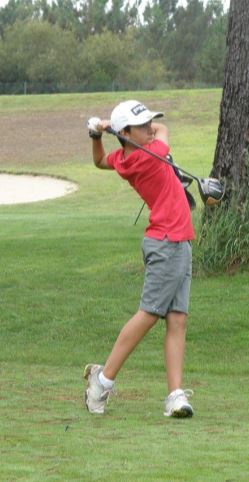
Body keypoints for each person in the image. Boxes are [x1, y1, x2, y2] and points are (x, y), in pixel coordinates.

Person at [84, 100, 195, 418]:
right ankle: (102, 381)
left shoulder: (126, 157)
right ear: (128, 133)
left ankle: (174, 395)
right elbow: (164, 129)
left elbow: (101, 161)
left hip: (177, 241)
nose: (150, 127)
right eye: (142, 125)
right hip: (167, 243)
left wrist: (97, 134)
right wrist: (112, 127)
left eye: (149, 123)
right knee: (148, 315)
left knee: (177, 320)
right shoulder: (150, 152)